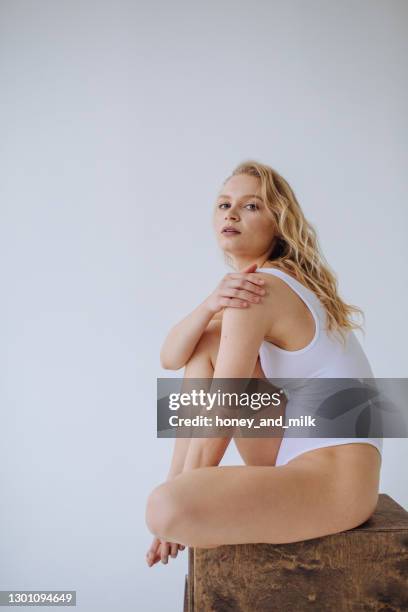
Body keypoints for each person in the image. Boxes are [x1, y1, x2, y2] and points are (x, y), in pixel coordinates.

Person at [145, 160, 382, 567]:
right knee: (207, 341)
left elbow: (223, 408)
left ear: (279, 223)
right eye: (223, 205)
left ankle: (178, 490)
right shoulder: (255, 286)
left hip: (338, 481)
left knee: (163, 508)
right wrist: (209, 305)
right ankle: (178, 483)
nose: (232, 214)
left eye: (251, 206)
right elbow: (172, 357)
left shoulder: (261, 289)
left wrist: (175, 513)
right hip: (298, 456)